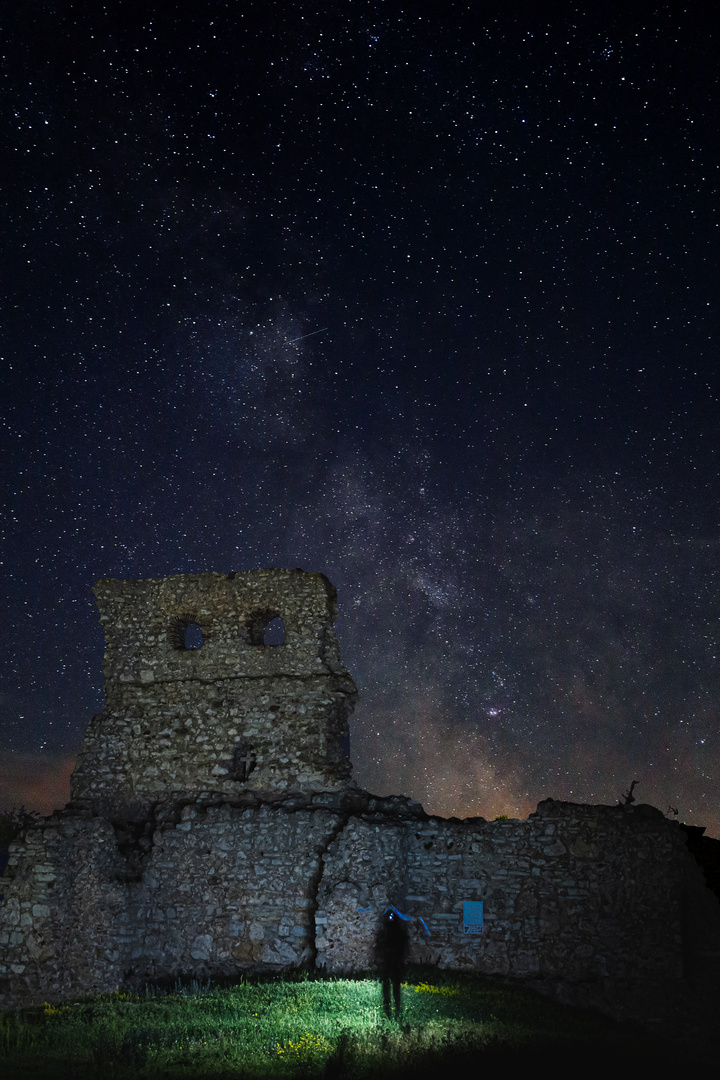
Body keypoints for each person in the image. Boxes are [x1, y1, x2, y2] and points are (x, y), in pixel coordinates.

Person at [375, 907, 409, 1019]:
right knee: (389, 986)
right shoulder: (387, 933)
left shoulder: (398, 934)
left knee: (394, 986)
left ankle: (395, 1007)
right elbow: (379, 948)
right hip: (389, 963)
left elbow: (403, 949)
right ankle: (389, 1008)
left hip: (393, 963)